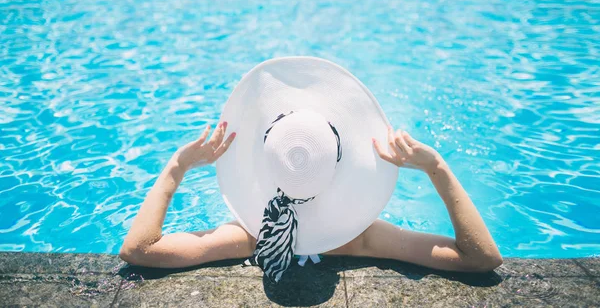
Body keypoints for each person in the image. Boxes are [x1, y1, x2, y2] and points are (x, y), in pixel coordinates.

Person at [120, 58, 502, 275]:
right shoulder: (364, 239)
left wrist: (176, 167)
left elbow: (138, 249)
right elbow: (482, 258)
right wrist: (437, 168)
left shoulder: (250, 235)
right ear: (340, 161)